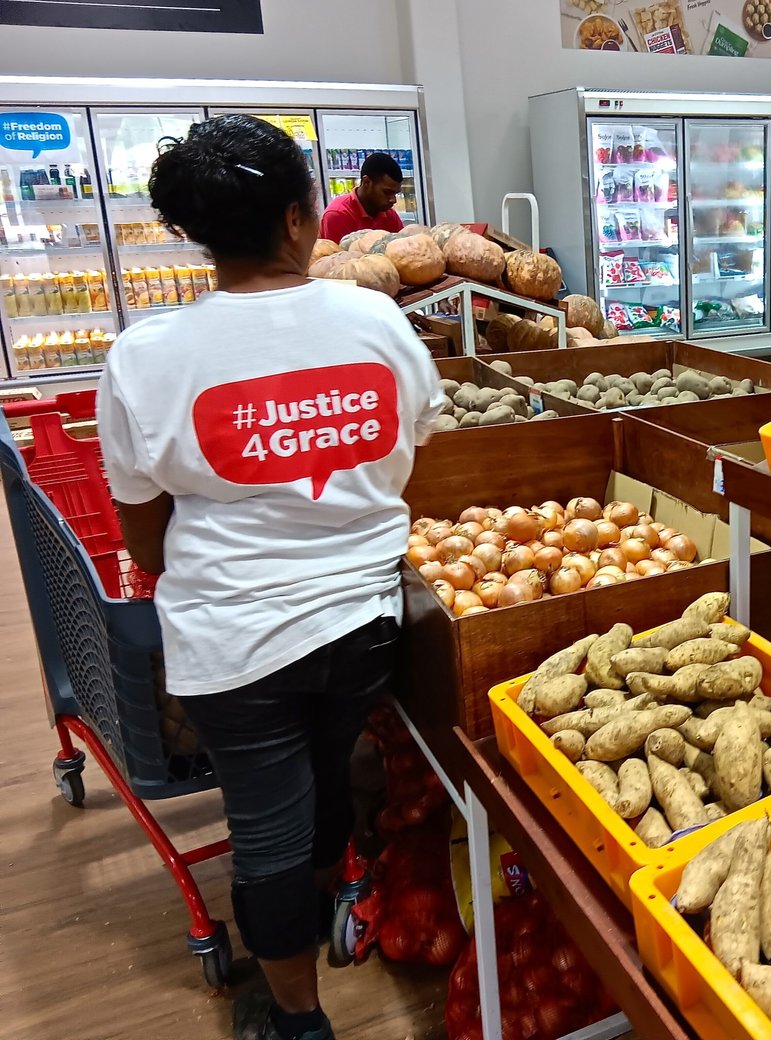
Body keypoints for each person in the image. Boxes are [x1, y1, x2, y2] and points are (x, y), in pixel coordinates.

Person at [96, 114, 442, 1040]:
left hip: (232, 644)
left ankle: (296, 1019)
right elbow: (410, 450)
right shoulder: (375, 318)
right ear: (300, 220)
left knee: (267, 821)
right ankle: (334, 896)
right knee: (326, 770)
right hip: (365, 623)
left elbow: (143, 533)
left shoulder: (142, 357)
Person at [319, 151, 405, 243]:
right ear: (367, 182)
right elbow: (337, 255)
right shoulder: (337, 215)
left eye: (395, 194)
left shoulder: (389, 214)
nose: (393, 200)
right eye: (387, 192)